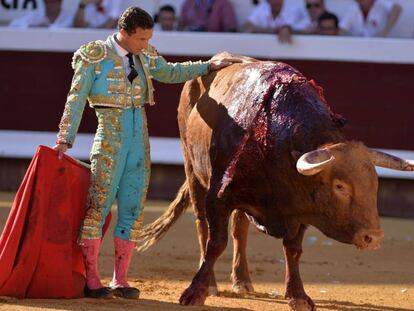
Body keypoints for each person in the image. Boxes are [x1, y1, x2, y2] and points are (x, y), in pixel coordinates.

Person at [53, 6, 238, 300]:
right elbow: (75, 99)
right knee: (97, 210)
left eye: (148, 39)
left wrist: (208, 66)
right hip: (110, 139)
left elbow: (169, 72)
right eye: (141, 39)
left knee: (132, 210)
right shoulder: (93, 56)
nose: (145, 45)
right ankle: (91, 278)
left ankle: (120, 279)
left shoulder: (144, 54)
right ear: (124, 33)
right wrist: (65, 139)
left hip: (139, 139)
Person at [9, 0, 77, 28]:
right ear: (44, 2)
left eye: (53, 2)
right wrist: (35, 27)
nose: (51, 5)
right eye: (48, 2)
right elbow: (13, 24)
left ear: (60, 2)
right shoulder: (36, 15)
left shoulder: (69, 18)